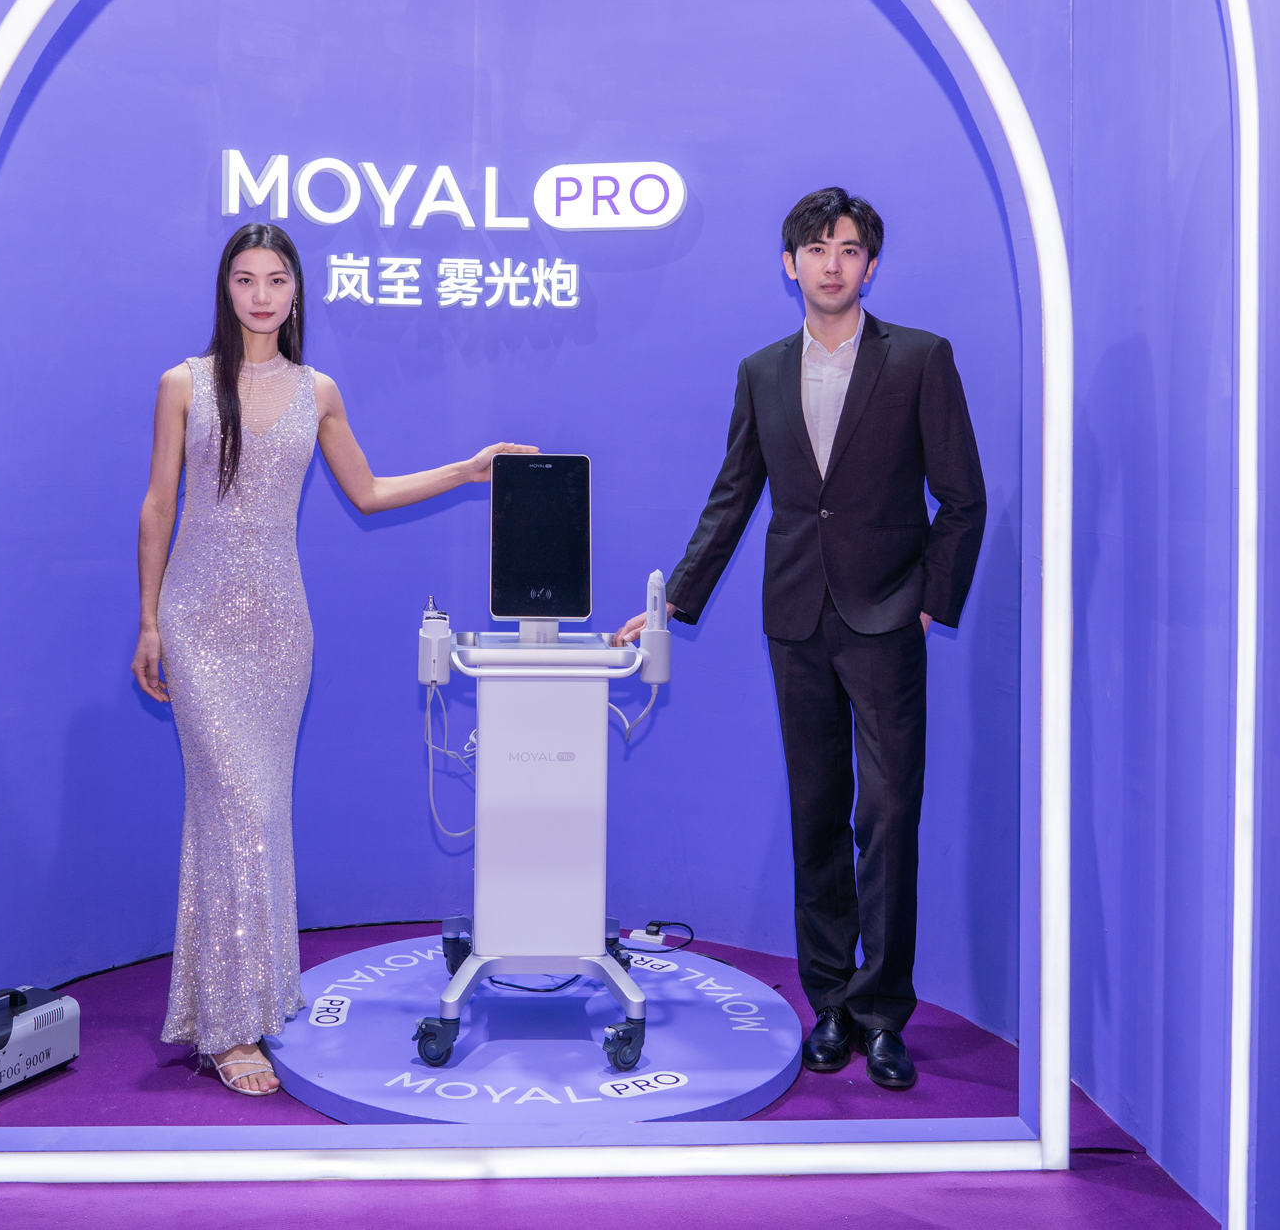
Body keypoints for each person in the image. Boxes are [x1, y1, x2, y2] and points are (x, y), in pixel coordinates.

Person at [132, 223, 532, 1097]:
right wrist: (149, 620)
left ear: (297, 292)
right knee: (234, 807)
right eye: (246, 279)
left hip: (281, 631)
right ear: (225, 288)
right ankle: (230, 1025)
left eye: (276, 279)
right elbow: (158, 505)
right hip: (195, 623)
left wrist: (467, 470)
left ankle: (242, 998)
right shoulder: (183, 384)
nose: (261, 295)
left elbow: (370, 490)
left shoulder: (318, 391)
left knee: (256, 813)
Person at [611, 186, 985, 1092]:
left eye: (848, 249)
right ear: (790, 265)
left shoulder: (920, 358)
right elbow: (734, 495)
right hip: (796, 619)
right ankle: (831, 1003)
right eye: (816, 249)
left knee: (887, 816)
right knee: (817, 813)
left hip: (887, 617)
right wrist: (672, 602)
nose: (831, 263)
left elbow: (962, 497)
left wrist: (930, 600)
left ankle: (882, 1013)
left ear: (870, 265)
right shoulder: (762, 370)